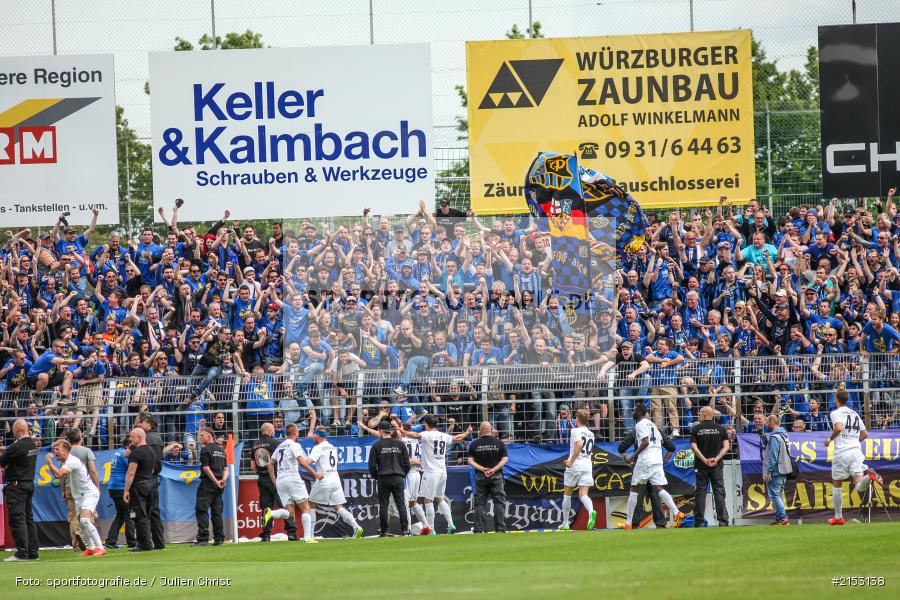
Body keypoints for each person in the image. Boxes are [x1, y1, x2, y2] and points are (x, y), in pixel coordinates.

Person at [403, 415, 471, 535]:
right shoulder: (443, 435)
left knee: (428, 500)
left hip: (430, 472)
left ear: (426, 424)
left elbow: (416, 435)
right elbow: (458, 437)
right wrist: (467, 432)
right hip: (442, 472)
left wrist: (402, 431)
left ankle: (431, 528)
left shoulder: (427, 434)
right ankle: (450, 524)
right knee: (440, 498)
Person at [824, 389, 883, 525]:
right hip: (856, 452)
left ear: (836, 399)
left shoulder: (835, 413)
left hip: (842, 452)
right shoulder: (855, 413)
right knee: (859, 485)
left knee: (837, 483)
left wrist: (829, 440)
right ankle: (869, 477)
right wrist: (854, 442)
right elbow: (865, 434)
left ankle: (838, 518)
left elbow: (838, 428)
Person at [623, 404, 685, 529]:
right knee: (659, 488)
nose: (633, 412)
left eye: (634, 410)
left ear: (639, 412)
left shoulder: (639, 424)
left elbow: (645, 442)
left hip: (645, 461)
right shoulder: (654, 426)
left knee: (634, 489)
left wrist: (632, 457)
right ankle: (677, 512)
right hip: (657, 460)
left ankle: (629, 523)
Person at [45, 439, 106, 557]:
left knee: (84, 521)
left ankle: (100, 548)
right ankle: (91, 548)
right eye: (54, 449)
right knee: (82, 524)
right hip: (79, 496)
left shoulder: (72, 461)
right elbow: (60, 476)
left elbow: (58, 474)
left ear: (65, 450)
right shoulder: (65, 462)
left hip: (89, 494)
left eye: (57, 449)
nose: (55, 452)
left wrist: (49, 462)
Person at [306, 426, 364, 539]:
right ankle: (356, 526)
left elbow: (308, 462)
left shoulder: (318, 448)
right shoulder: (332, 447)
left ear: (318, 435)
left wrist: (299, 459)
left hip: (324, 479)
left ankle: (310, 535)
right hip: (335, 479)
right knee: (339, 507)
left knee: (310, 505)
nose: (313, 436)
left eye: (314, 434)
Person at [263, 423, 317, 543]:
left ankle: (271, 513)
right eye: (297, 432)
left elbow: (269, 464)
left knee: (289, 513)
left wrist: (275, 481)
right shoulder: (294, 445)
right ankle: (307, 538)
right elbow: (301, 462)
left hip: (281, 481)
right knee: (306, 508)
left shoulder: (280, 446)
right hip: (292, 478)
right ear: (294, 433)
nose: (298, 434)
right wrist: (315, 474)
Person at [617, 421, 675, 529]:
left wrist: (629, 461)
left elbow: (621, 448)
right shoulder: (657, 431)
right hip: (654, 465)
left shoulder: (638, 430)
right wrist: (663, 461)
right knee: (656, 494)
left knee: (637, 494)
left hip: (642, 465)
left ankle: (633, 523)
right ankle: (661, 523)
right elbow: (671, 447)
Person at [0, 419, 39, 561]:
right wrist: (7, 450)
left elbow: (2, 461)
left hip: (16, 486)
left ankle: (22, 553)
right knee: (28, 519)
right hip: (29, 483)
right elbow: (17, 453)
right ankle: (33, 552)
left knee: (18, 519)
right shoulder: (32, 444)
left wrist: (5, 452)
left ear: (17, 430)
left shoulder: (16, 447)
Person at [251, 422, 297, 541]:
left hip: (262, 479)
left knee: (266, 508)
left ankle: (266, 535)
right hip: (275, 477)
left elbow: (252, 466)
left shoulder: (255, 445)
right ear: (271, 431)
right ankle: (291, 533)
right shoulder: (276, 443)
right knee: (284, 504)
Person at [689, 406, 731, 527]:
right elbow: (726, 446)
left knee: (700, 492)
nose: (699, 416)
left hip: (701, 465)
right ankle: (723, 521)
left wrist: (704, 459)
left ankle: (699, 521)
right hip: (716, 466)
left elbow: (693, 446)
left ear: (704, 415)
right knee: (719, 491)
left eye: (700, 414)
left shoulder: (696, 429)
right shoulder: (720, 429)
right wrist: (716, 459)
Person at [368, 420, 411, 536]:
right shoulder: (400, 444)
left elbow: (372, 466)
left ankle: (384, 530)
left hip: (383, 477)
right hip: (398, 477)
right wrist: (402, 474)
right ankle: (405, 530)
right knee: (401, 504)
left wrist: (377, 476)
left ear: (381, 431)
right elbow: (407, 464)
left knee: (384, 504)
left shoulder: (376, 445)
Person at [467, 421, 509, 533]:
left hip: (480, 476)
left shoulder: (474, 444)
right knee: (499, 503)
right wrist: (493, 470)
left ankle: (478, 529)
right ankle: (500, 529)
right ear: (491, 430)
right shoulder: (499, 443)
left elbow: (470, 460)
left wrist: (482, 469)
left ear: (480, 431)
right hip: (497, 476)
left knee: (480, 503)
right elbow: (505, 460)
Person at [559, 409, 597, 530]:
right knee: (583, 495)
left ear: (578, 419)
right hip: (587, 466)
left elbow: (579, 444)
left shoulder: (575, 431)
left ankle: (565, 523)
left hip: (575, 465)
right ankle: (591, 511)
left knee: (567, 493)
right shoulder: (591, 434)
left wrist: (571, 461)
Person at [62, 428, 99, 553]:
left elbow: (62, 474)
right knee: (89, 514)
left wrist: (63, 490)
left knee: (73, 516)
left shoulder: (66, 453)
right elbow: (92, 470)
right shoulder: (87, 451)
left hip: (70, 487)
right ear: (81, 438)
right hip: (85, 488)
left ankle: (76, 544)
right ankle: (88, 539)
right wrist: (96, 487)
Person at [123, 427, 158, 552]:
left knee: (139, 515)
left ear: (139, 437)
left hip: (138, 486)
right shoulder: (151, 451)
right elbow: (153, 469)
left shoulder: (136, 453)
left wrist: (126, 490)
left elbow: (130, 473)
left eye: (132, 437)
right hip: (150, 484)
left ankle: (145, 544)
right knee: (146, 515)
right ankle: (147, 541)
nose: (130, 439)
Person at [194, 428, 228, 546]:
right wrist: (223, 480)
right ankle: (219, 539)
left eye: (202, 436)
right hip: (219, 486)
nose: (199, 438)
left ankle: (203, 538)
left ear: (209, 436)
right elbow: (225, 469)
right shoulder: (221, 450)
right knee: (217, 512)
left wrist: (215, 481)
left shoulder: (205, 450)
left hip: (208, 484)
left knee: (201, 510)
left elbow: (206, 468)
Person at [104, 436, 136, 549]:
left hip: (113, 487)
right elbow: (133, 469)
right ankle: (132, 542)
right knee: (130, 514)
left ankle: (110, 541)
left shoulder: (118, 452)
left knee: (120, 515)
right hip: (121, 488)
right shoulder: (125, 455)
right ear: (129, 445)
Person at [763, 414, 791, 525]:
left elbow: (773, 455)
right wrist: (763, 437)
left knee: (774, 495)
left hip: (776, 470)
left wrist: (768, 471)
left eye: (767, 423)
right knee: (778, 495)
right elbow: (771, 447)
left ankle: (783, 518)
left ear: (772, 423)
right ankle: (779, 519)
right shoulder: (783, 435)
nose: (766, 425)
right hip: (783, 469)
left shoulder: (775, 437)